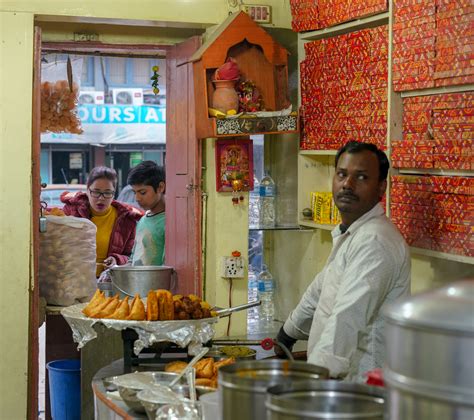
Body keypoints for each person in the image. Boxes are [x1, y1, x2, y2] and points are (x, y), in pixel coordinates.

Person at [275, 141, 411, 381]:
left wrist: (312, 382)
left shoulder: (375, 241)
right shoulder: (354, 232)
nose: (347, 185)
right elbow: (321, 289)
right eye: (342, 174)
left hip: (362, 388)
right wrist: (288, 332)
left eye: (361, 177)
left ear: (381, 187)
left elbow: (348, 317)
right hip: (341, 383)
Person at [61, 166, 142, 277]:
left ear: (114, 194)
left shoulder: (126, 220)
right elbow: (59, 247)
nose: (101, 198)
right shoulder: (71, 211)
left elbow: (130, 257)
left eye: (107, 193)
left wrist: (116, 260)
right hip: (75, 280)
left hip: (108, 283)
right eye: (96, 192)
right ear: (88, 190)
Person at [127, 161, 166, 266]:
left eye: (142, 192)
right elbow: (133, 259)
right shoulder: (142, 220)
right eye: (135, 192)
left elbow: (167, 267)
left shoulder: (169, 223)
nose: (137, 198)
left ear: (160, 187)